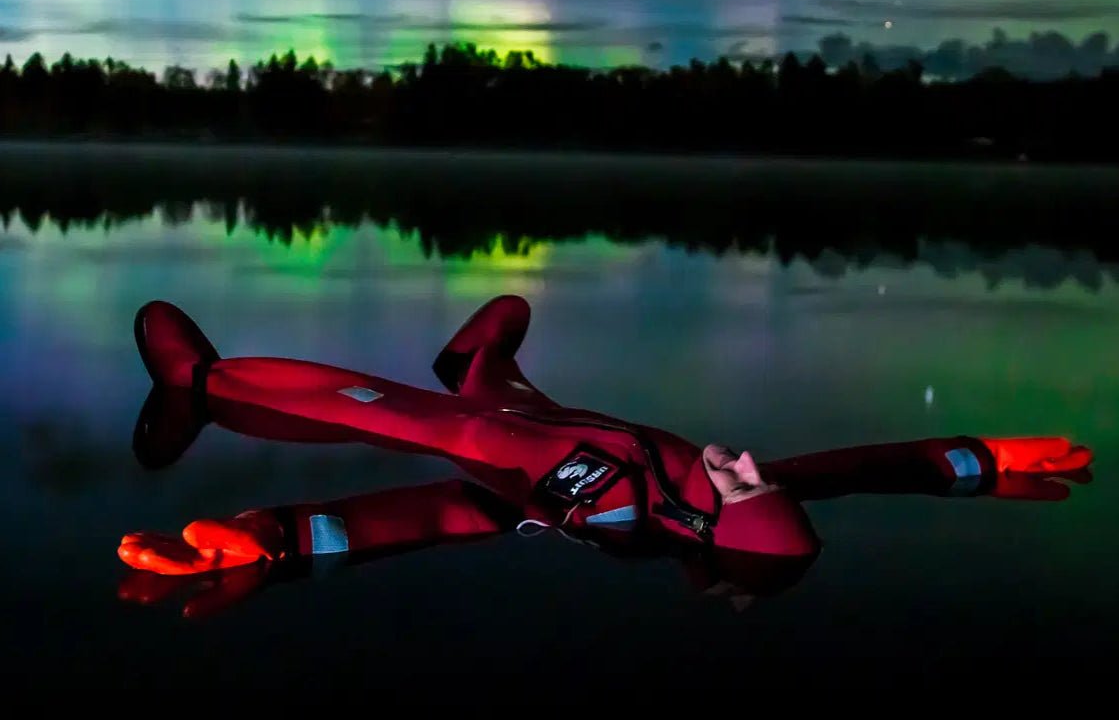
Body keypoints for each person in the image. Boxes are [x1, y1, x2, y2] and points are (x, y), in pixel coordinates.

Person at [118, 295, 1093, 616]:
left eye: (746, 485)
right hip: (539, 417)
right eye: (759, 480)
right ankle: (481, 351)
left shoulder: (586, 485)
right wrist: (975, 457)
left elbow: (405, 464)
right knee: (495, 376)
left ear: (701, 523)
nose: (752, 462)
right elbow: (856, 469)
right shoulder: (714, 502)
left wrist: (211, 400)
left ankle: (476, 358)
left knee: (466, 405)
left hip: (525, 430)